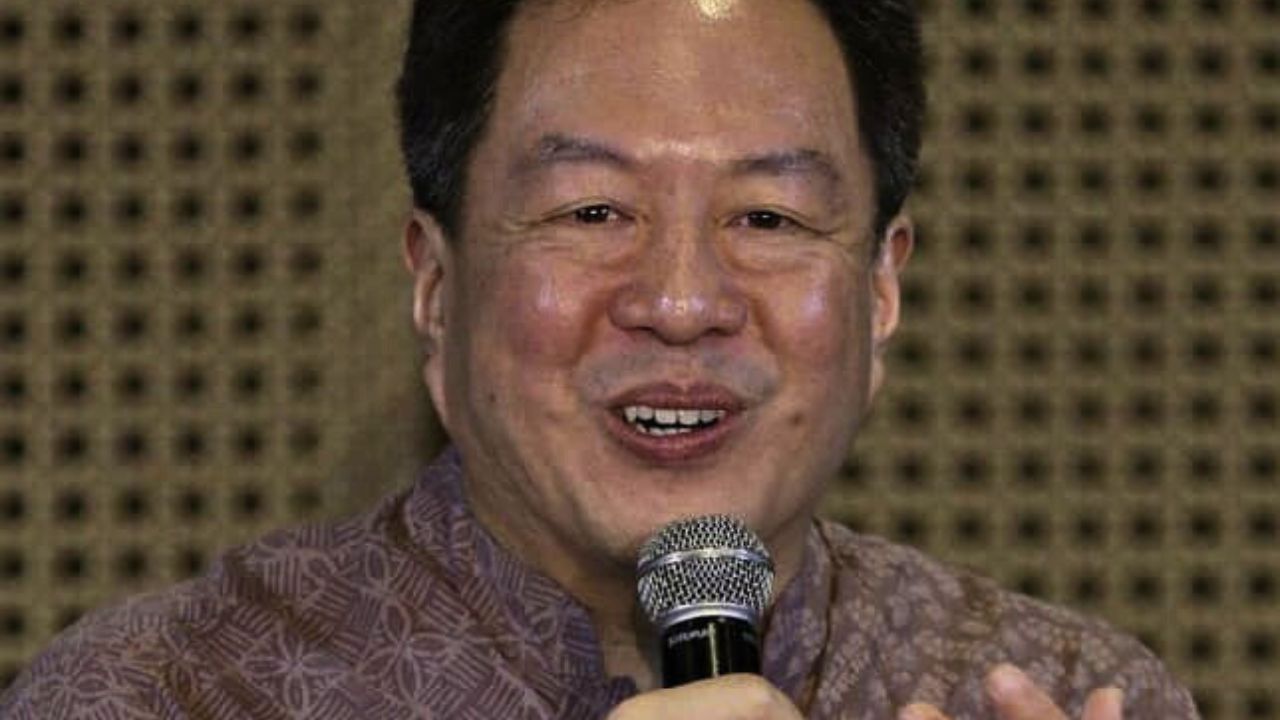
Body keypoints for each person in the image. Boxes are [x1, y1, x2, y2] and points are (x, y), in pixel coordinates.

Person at [1, 0, 1198, 717]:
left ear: (879, 290)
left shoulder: (1052, 686)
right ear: (433, 282)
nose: (680, 303)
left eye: (767, 218)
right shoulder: (167, 694)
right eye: (591, 212)